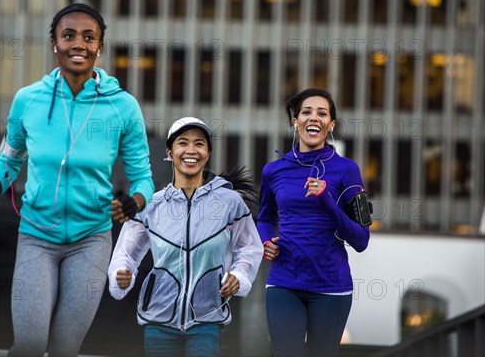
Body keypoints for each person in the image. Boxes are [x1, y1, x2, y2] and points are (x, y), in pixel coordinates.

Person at [0, 3, 154, 356]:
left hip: (92, 240)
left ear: (100, 46)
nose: (78, 44)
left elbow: (143, 177)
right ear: (54, 44)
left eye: (88, 37)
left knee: (66, 349)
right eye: (68, 36)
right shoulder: (29, 100)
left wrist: (134, 202)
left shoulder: (123, 107)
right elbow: (9, 160)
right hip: (37, 236)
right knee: (30, 345)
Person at [108, 117, 263, 357]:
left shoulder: (230, 202)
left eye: (199, 144)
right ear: (170, 152)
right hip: (158, 319)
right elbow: (126, 253)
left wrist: (239, 275)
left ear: (208, 153)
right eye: (183, 143)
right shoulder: (151, 204)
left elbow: (250, 248)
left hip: (207, 319)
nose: (191, 150)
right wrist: (121, 273)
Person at [257, 88, 370, 357]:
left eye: (322, 113)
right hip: (284, 283)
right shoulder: (273, 170)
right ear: (294, 121)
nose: (314, 118)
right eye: (306, 112)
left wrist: (327, 200)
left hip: (331, 287)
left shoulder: (347, 170)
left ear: (331, 125)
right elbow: (265, 217)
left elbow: (361, 240)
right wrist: (265, 242)